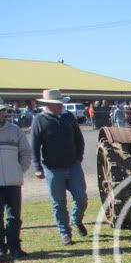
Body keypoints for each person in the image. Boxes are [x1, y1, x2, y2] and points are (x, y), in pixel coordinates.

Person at [30, 89, 87, 246]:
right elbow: (35, 145)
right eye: (56, 104)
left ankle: (77, 219)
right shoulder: (39, 120)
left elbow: (79, 139)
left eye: (60, 103)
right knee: (58, 203)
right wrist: (37, 167)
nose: (60, 106)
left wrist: (79, 157)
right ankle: (65, 233)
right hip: (52, 168)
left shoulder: (68, 117)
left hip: (73, 165)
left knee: (81, 198)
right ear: (48, 105)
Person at [0, 99, 33, 259]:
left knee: (14, 217)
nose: (1, 113)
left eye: (2, 110)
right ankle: (1, 249)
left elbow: (26, 152)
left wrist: (20, 169)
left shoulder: (15, 130)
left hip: (13, 181)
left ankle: (14, 246)